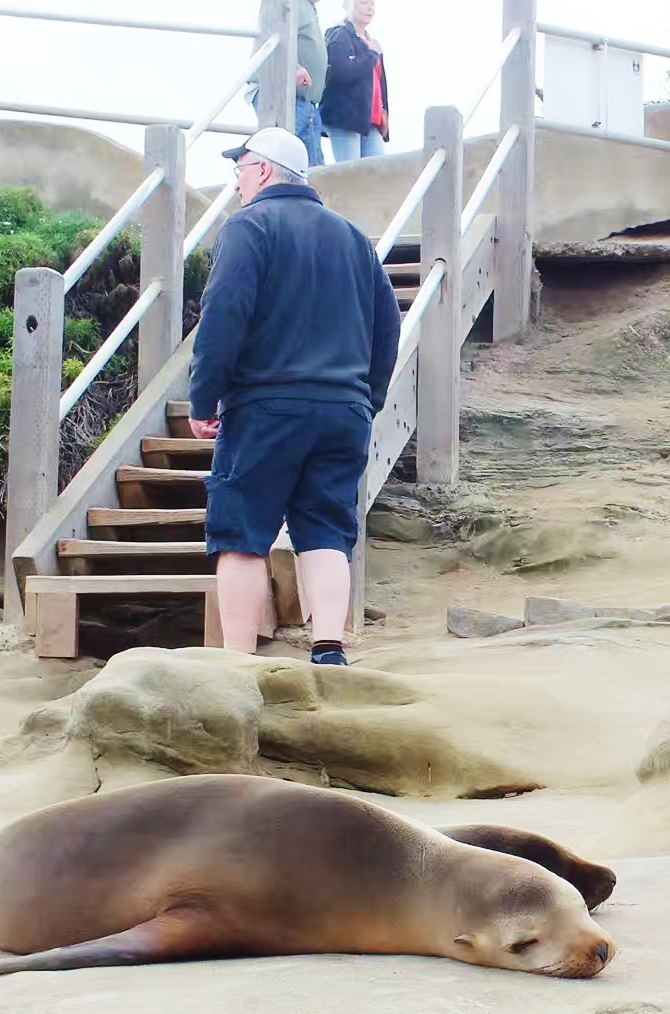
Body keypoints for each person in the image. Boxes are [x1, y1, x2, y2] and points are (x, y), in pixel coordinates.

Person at [187, 127, 400, 666]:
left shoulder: (249, 227)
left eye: (239, 170)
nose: (236, 182)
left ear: (261, 170)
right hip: (343, 411)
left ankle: (236, 661)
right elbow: (388, 324)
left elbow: (224, 316)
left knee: (241, 532)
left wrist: (204, 399)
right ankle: (329, 648)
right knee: (326, 527)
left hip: (266, 406)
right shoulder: (353, 237)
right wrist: (366, 397)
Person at [321, 0, 391, 163]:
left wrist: (384, 113)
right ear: (347, 5)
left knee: (378, 173)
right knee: (350, 174)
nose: (369, 8)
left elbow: (379, 83)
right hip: (345, 118)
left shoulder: (373, 42)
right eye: (363, 2)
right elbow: (339, 73)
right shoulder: (338, 34)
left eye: (372, 4)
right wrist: (370, 56)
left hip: (371, 121)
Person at [293, 0, 328, 168]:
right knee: (305, 166)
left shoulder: (307, 7)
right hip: (290, 96)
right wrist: (294, 67)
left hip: (306, 99)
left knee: (312, 163)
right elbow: (274, 35)